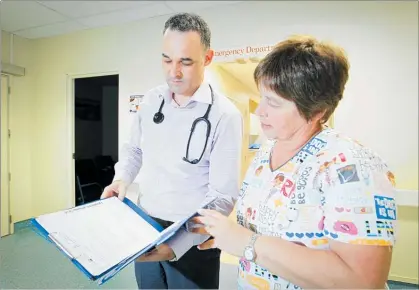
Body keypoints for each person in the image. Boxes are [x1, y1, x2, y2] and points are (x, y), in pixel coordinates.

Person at [194, 35, 397, 289]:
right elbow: (266, 231)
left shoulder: (353, 165)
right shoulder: (265, 153)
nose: (259, 112)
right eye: (262, 97)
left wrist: (247, 243)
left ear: (316, 111)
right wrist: (224, 234)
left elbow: (362, 281)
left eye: (274, 103)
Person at [100, 13, 243, 289]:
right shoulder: (152, 99)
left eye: (185, 62)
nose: (173, 72)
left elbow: (224, 196)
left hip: (193, 233)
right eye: (167, 60)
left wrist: (179, 243)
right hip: (146, 225)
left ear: (208, 58)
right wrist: (121, 179)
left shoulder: (225, 114)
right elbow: (134, 150)